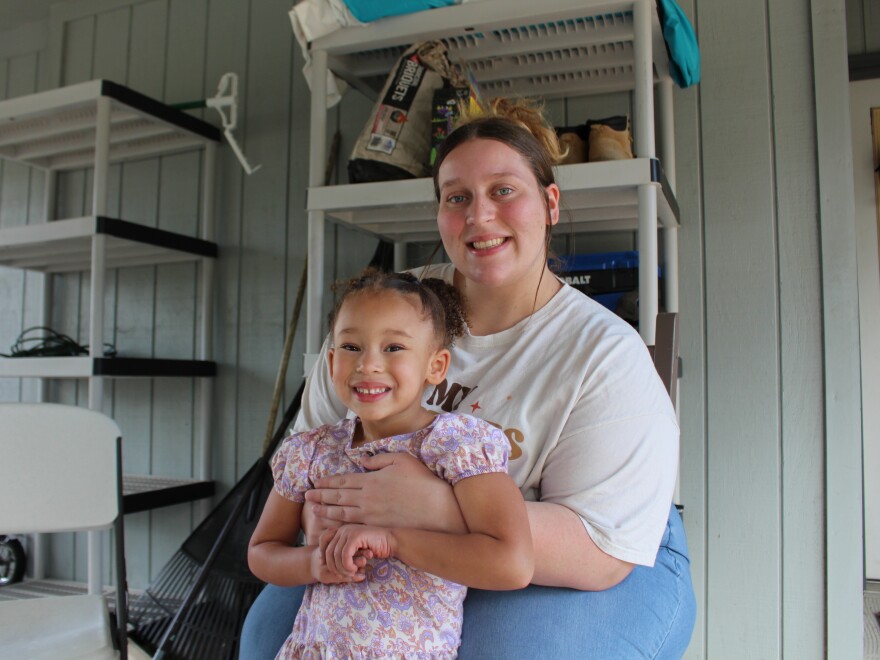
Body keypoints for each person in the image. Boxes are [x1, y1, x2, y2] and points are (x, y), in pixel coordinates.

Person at [241, 97, 696, 659]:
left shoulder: (604, 352)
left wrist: (429, 508)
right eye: (457, 197)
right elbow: (310, 474)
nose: (479, 216)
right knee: (266, 639)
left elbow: (600, 551)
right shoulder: (391, 309)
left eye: (504, 190)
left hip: (593, 544)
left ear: (550, 204)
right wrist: (343, 526)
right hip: (383, 533)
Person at [247, 269, 533, 659]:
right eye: (351, 347)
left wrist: (393, 541)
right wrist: (313, 562)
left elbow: (512, 563)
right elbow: (262, 551)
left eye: (394, 348)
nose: (368, 364)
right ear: (331, 362)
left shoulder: (456, 446)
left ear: (436, 366)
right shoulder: (311, 451)